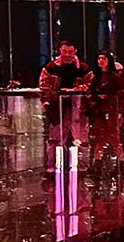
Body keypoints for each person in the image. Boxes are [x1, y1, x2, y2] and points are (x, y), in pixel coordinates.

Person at [38, 39, 94, 173]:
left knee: (81, 140)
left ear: (75, 51)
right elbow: (43, 86)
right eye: (64, 51)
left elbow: (90, 85)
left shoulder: (84, 68)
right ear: (60, 51)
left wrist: (75, 91)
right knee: (55, 140)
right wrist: (47, 102)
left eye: (70, 51)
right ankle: (54, 166)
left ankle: (82, 167)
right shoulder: (50, 67)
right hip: (57, 109)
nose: (67, 54)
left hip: (78, 109)